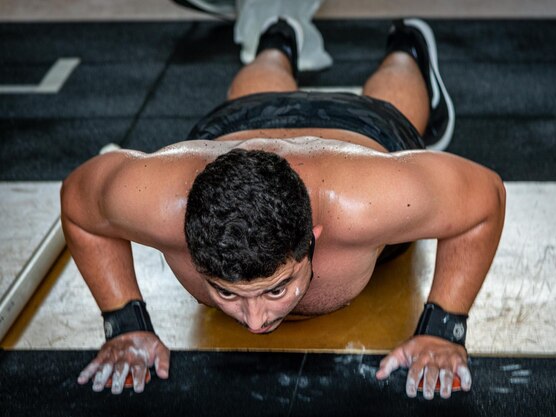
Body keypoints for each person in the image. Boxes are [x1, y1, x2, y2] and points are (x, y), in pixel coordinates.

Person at [61, 17, 506, 400]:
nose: (255, 322)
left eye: (275, 290)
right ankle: (278, 41)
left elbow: (485, 199)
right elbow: (79, 204)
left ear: (313, 237)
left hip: (358, 133)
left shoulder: (373, 200)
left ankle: (406, 46)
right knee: (248, 105)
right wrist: (125, 325)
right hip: (241, 127)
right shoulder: (158, 203)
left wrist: (443, 330)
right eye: (227, 293)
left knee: (394, 108)